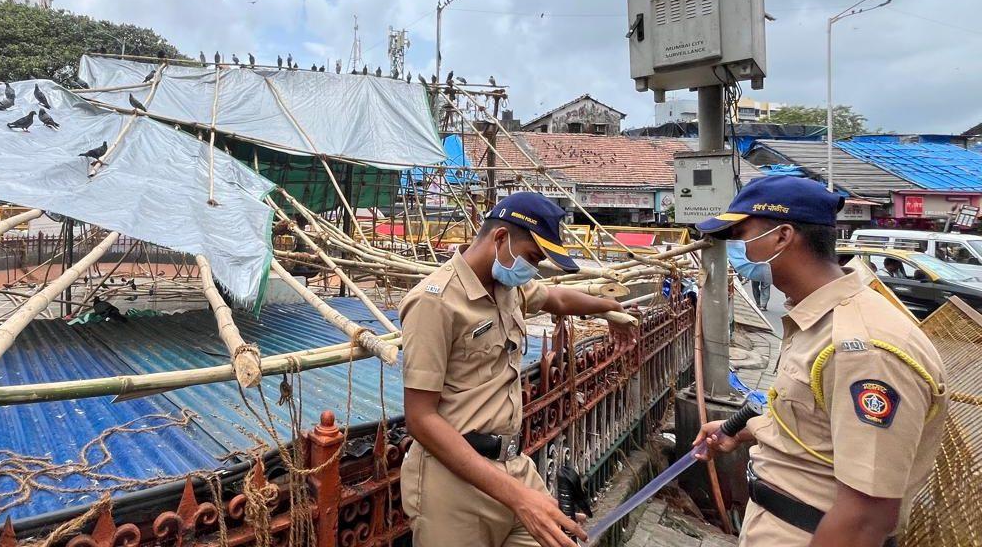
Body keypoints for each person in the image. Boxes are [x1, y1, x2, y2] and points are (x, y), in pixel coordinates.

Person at [692, 176, 947, 547]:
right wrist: (745, 430)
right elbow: (822, 427)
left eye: (744, 237)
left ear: (782, 236)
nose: (741, 254)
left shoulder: (864, 348)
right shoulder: (817, 321)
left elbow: (865, 517)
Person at [400, 192, 637, 547]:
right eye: (532, 257)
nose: (533, 268)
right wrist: (519, 498)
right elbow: (420, 418)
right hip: (452, 484)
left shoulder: (507, 286)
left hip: (513, 466)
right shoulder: (434, 302)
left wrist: (608, 308)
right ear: (500, 238)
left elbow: (556, 298)